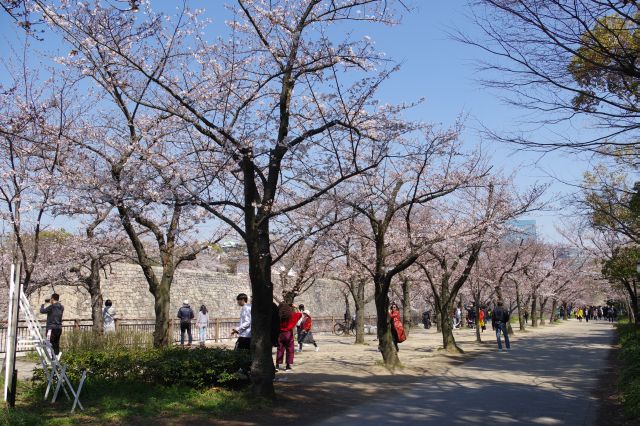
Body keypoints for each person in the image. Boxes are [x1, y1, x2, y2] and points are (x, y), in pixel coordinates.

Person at [276, 303, 301, 371]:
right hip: (288, 334)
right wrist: (296, 308)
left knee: (280, 349)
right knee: (290, 350)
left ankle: (277, 365)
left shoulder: (277, 316)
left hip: (280, 334)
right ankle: (288, 366)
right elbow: (299, 314)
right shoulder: (292, 316)